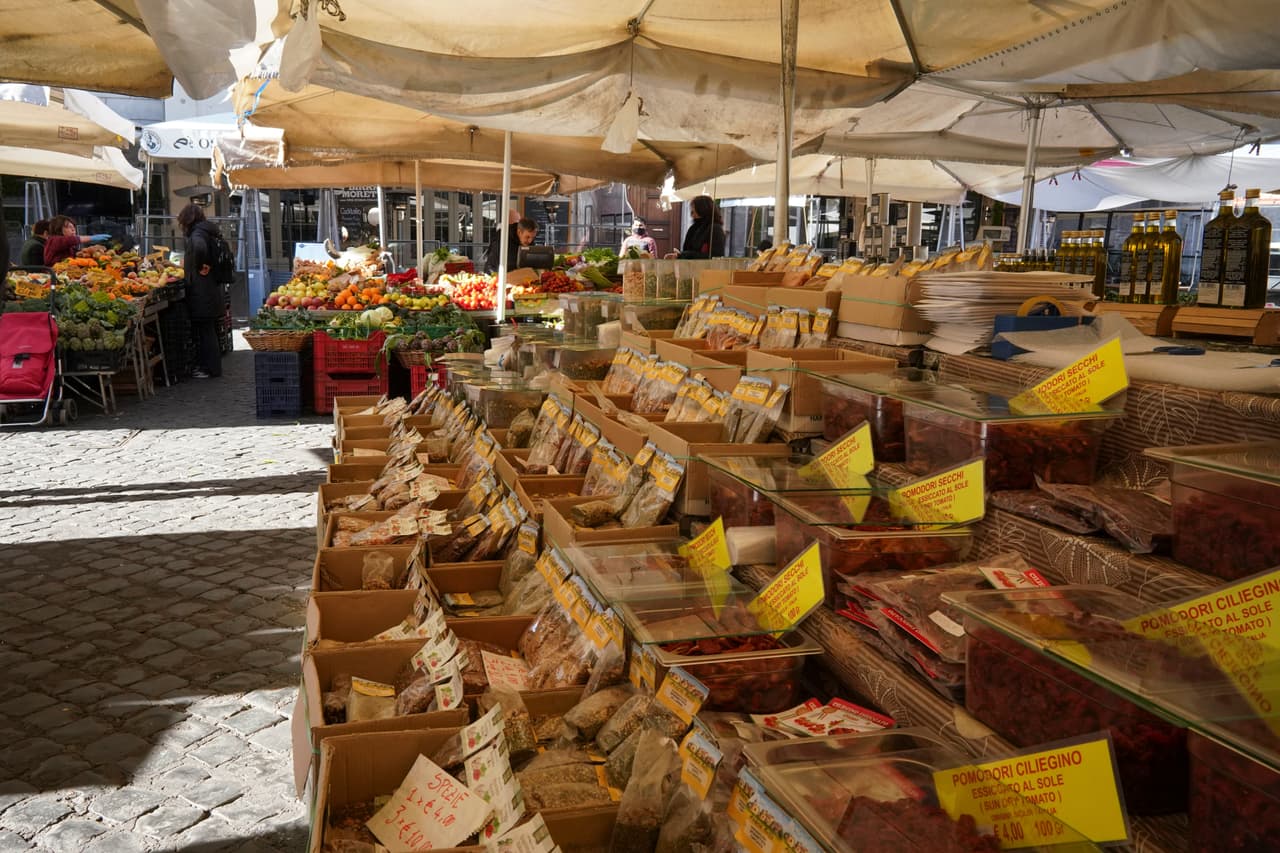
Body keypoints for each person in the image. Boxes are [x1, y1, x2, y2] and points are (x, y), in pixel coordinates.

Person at [177, 203, 228, 379]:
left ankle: (211, 369)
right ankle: (211, 367)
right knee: (209, 329)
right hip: (211, 288)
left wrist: (199, 266)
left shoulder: (198, 234)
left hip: (202, 291)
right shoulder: (208, 231)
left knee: (206, 331)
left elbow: (199, 248)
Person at [668, 195, 725, 259]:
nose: (692, 214)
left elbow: (715, 256)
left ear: (702, 209)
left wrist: (683, 255)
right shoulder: (693, 228)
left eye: (693, 211)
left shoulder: (715, 229)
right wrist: (679, 255)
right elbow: (687, 249)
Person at [43, 215, 108, 266]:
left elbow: (74, 254)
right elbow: (70, 240)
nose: (73, 229)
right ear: (58, 228)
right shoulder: (54, 240)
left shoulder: (67, 245)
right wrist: (92, 237)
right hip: (53, 274)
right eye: (69, 227)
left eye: (73, 227)